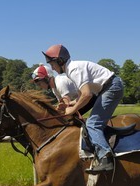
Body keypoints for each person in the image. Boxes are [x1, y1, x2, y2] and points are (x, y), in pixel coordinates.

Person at [42, 44, 124, 174]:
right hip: (107, 88)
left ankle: (105, 158)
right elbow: (81, 95)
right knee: (92, 121)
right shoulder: (70, 71)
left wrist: (72, 110)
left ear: (60, 60)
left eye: (52, 63)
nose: (51, 67)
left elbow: (87, 95)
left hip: (111, 87)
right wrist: (69, 105)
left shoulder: (73, 69)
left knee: (92, 123)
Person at [31, 63, 98, 115]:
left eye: (39, 84)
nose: (39, 86)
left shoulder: (60, 83)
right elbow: (62, 105)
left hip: (93, 95)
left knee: (70, 116)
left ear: (46, 78)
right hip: (83, 97)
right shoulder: (54, 89)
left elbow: (67, 105)